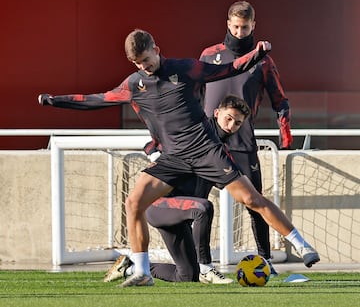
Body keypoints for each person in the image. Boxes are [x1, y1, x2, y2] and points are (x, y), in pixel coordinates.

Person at [38, 29, 319, 288]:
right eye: (138, 64)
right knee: (134, 202)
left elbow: (227, 68)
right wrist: (54, 100)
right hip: (173, 158)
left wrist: (257, 54)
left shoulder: (184, 69)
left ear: (156, 50)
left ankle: (301, 244)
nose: (144, 67)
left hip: (206, 150)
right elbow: (95, 99)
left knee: (251, 199)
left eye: (147, 60)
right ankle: (142, 272)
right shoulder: (134, 85)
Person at [103, 95, 251, 284]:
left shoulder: (223, 152)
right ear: (216, 113)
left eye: (237, 123)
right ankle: (207, 268)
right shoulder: (195, 131)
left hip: (182, 214)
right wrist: (158, 158)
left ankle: (129, 267)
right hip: (159, 205)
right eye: (228, 118)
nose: (231, 126)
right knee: (203, 208)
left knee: (188, 276)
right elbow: (152, 144)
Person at [200, 0, 294, 274]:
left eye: (245, 27)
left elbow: (281, 101)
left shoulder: (262, 59)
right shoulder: (209, 55)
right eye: (236, 27)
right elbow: (193, 95)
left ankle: (265, 261)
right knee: (199, 204)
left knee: (256, 203)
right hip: (207, 143)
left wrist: (286, 139)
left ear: (254, 25)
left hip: (243, 143)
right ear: (228, 24)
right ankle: (202, 265)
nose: (240, 32)